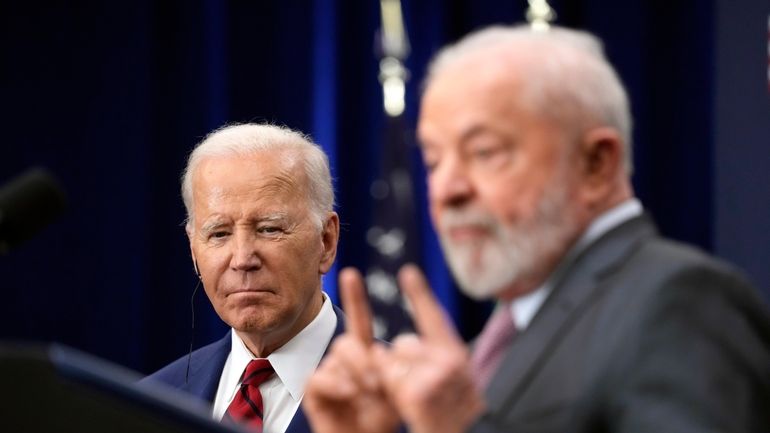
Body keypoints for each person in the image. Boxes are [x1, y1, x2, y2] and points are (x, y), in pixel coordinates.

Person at [302, 24, 770, 433]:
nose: (446, 189)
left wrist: (462, 427)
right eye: (434, 161)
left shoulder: (682, 302)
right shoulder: (503, 335)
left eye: (484, 152)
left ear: (596, 164)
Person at [142, 123, 342, 433]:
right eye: (219, 234)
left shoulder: (409, 399)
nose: (242, 260)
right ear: (194, 250)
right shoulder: (148, 404)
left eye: (269, 229)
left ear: (326, 241)